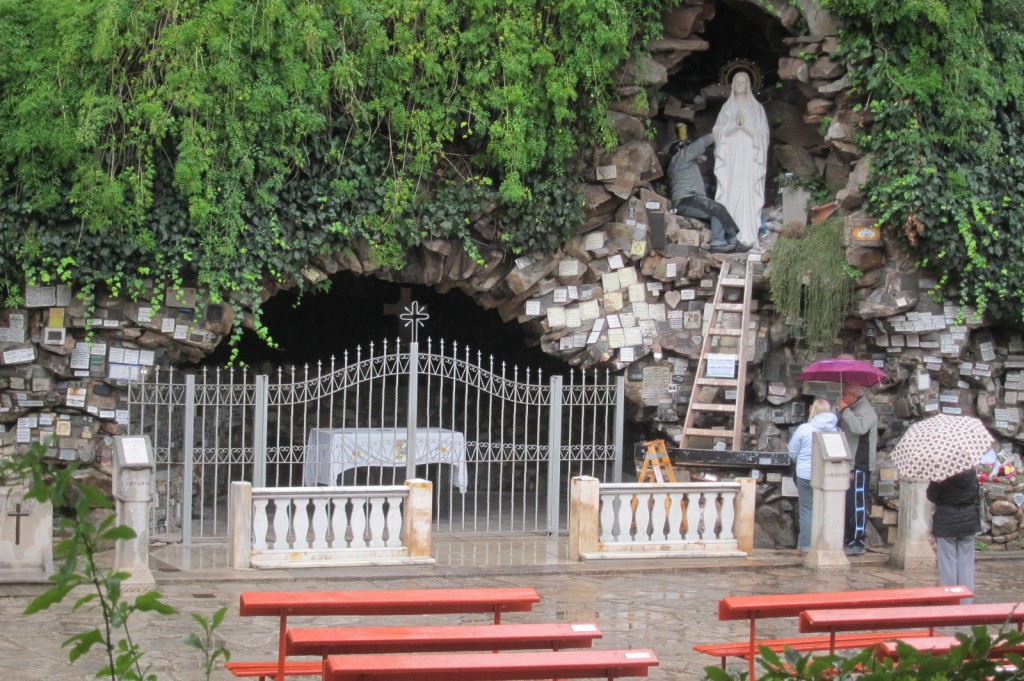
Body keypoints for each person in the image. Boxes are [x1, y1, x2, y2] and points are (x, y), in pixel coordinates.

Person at [667, 134, 751, 254]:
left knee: (719, 209)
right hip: (686, 200)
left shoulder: (683, 163)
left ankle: (734, 242)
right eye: (687, 147)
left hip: (690, 199)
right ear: (680, 150)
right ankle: (717, 243)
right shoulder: (680, 157)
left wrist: (700, 158)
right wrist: (714, 134)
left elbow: (703, 158)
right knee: (717, 208)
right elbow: (699, 144)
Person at [712, 71, 769, 248]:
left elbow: (764, 133)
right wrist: (731, 127)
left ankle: (747, 233)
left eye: (743, 82)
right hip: (730, 159)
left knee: (748, 192)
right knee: (728, 192)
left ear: (749, 85)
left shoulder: (756, 108)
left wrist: (747, 127)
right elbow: (716, 132)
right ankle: (729, 235)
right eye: (737, 82)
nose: (740, 84)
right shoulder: (726, 108)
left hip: (749, 159)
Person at [787, 398, 839, 553]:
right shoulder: (836, 430)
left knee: (807, 510)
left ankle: (805, 545)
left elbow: (792, 451)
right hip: (826, 475)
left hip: (805, 474)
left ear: (813, 410)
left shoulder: (804, 428)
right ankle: (825, 544)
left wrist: (801, 462)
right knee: (825, 509)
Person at [927, 468, 980, 602]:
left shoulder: (941, 471)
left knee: (948, 566)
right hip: (968, 521)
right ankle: (966, 604)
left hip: (946, 523)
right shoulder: (971, 472)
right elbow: (975, 493)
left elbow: (931, 496)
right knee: (966, 566)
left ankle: (949, 602)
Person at [839, 383, 878, 555]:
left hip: (860, 464)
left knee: (857, 504)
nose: (842, 398)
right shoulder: (853, 408)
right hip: (850, 463)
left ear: (853, 396)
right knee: (849, 503)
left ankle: (857, 541)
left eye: (844, 394)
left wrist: (845, 411)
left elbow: (859, 428)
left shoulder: (867, 411)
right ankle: (849, 537)